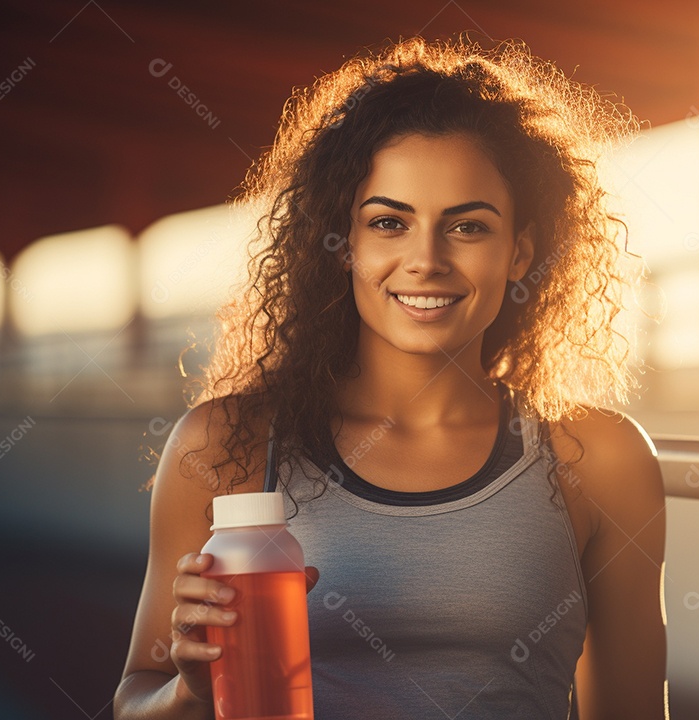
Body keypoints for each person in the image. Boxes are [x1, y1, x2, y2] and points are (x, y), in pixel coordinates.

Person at [114, 35, 668, 720]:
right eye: (389, 223)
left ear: (520, 252)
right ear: (343, 247)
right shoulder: (224, 446)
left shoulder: (601, 458)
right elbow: (134, 700)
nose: (425, 260)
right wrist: (193, 690)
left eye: (467, 227)